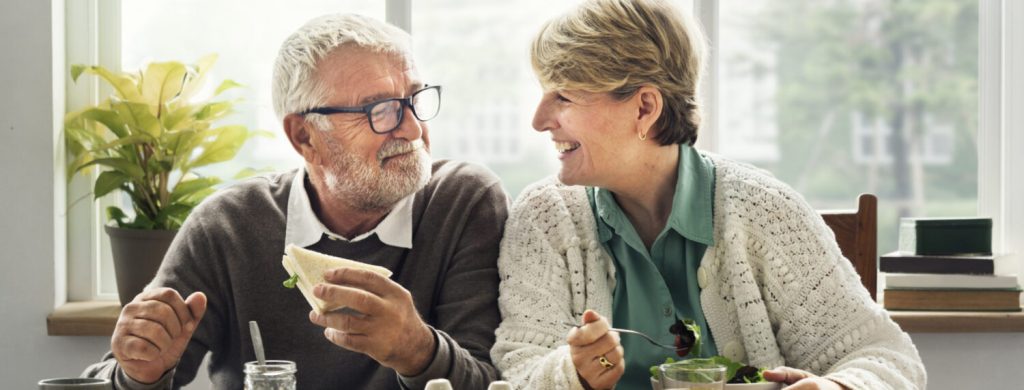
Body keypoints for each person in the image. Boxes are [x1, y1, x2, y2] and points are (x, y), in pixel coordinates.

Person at [490, 0, 926, 389]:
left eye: (563, 97)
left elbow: (886, 358)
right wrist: (574, 374)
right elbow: (518, 371)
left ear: (644, 107)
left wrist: (838, 387)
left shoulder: (766, 212)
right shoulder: (543, 218)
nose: (539, 119)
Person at [83, 14, 508, 390]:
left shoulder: (464, 203)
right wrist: (137, 374)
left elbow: (498, 383)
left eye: (414, 99)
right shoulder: (228, 226)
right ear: (304, 136)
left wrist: (418, 350)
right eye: (381, 110)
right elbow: (117, 375)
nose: (413, 130)